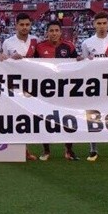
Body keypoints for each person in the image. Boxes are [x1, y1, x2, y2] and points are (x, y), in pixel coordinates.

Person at [79, 11, 108, 162]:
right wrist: (83, 60)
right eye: (99, 23)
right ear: (94, 24)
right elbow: (83, 64)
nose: (101, 26)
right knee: (93, 116)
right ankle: (93, 150)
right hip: (94, 85)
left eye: (104, 23)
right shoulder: (87, 43)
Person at [34, 20, 79, 161]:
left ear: (61, 32)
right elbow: (31, 67)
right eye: (51, 31)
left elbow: (78, 65)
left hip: (65, 89)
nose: (54, 33)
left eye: (56, 31)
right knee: (45, 119)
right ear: (47, 32)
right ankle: (46, 150)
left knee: (68, 119)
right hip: (45, 90)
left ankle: (69, 150)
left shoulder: (69, 46)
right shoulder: (39, 47)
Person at [0, 12, 40, 161]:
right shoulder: (8, 42)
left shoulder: (36, 41)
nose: (24, 27)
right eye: (21, 24)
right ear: (16, 25)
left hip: (32, 84)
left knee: (29, 117)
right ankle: (19, 149)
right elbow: (2, 62)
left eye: (27, 24)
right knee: (16, 115)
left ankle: (26, 149)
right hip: (14, 85)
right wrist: (7, 57)